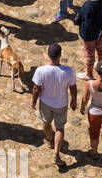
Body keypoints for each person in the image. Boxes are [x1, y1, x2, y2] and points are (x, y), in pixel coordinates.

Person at [31, 40, 77, 168]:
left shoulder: (41, 70)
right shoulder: (68, 71)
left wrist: (34, 100)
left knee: (46, 123)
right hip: (61, 104)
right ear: (60, 55)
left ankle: (50, 140)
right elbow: (73, 87)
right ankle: (56, 153)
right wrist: (74, 100)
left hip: (45, 103)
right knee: (60, 128)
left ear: (48, 55)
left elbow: (36, 89)